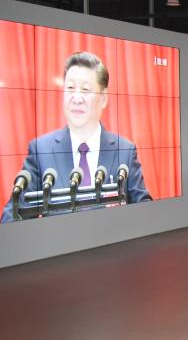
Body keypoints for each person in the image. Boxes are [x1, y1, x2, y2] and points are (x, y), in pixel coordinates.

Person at [2, 51, 150, 223]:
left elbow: (145, 212)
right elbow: (12, 217)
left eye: (85, 90)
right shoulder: (41, 150)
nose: (76, 98)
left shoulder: (124, 151)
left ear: (103, 98)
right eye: (70, 88)